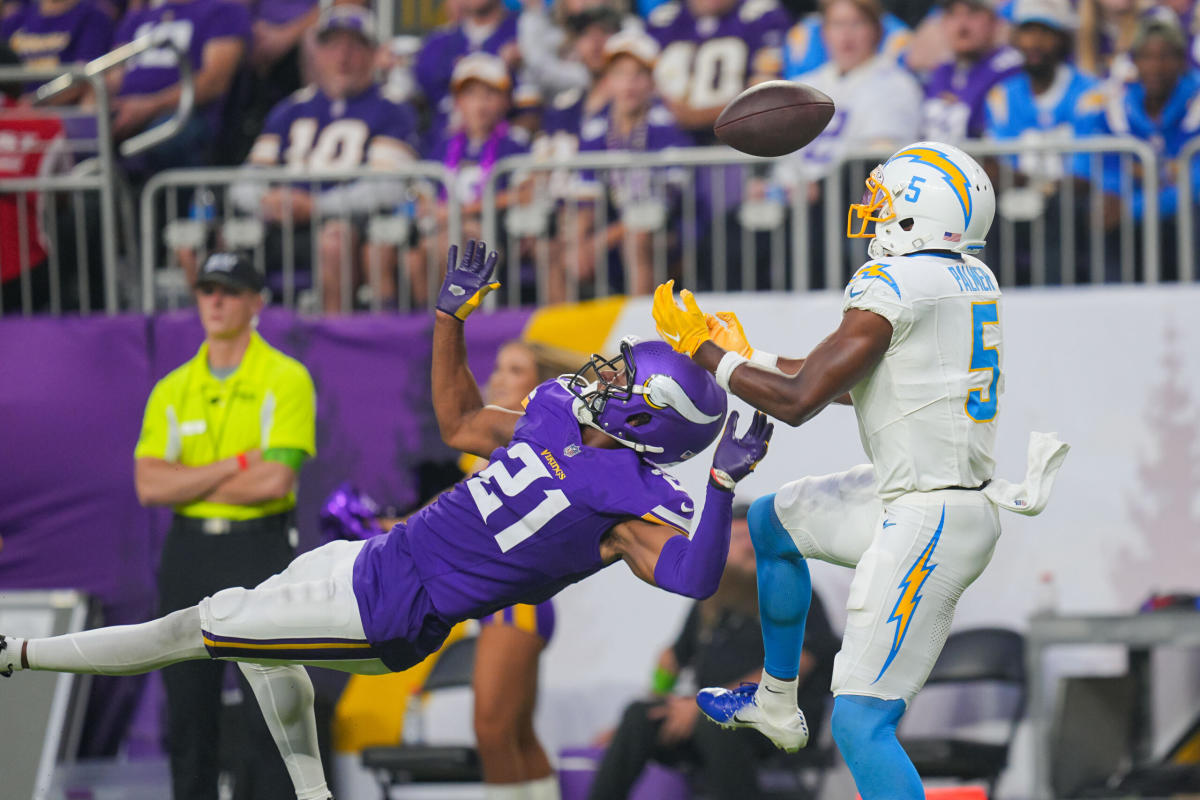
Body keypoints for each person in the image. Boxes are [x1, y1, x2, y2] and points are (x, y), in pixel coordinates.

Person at [0, 241, 774, 800]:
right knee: (267, 651)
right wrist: (449, 321)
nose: (605, 373)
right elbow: (462, 420)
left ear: (649, 416)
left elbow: (693, 575)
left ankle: (17, 653)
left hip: (389, 613)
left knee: (201, 627)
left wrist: (719, 486)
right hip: (372, 558)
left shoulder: (634, 496)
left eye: (625, 376)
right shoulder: (553, 414)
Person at [651, 142, 1069, 800]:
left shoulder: (897, 285)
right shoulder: (965, 277)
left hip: (930, 517)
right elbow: (851, 381)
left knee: (861, 722)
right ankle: (778, 702)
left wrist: (702, 351)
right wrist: (742, 351)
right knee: (770, 522)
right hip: (923, 497)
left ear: (919, 218)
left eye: (886, 204)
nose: (873, 214)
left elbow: (798, 401)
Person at [129, 252, 317, 800]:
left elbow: (275, 481)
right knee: (189, 715)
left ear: (256, 303)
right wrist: (236, 463)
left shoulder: (285, 377)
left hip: (256, 549)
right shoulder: (173, 386)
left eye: (229, 291)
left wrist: (187, 480)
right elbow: (148, 487)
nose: (214, 301)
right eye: (206, 289)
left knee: (271, 714)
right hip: (189, 552)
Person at [588, 504, 839, 800]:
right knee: (640, 717)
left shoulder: (790, 591)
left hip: (777, 721)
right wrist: (657, 702)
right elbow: (671, 660)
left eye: (754, 537)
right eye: (739, 538)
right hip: (706, 714)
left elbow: (799, 664)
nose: (749, 546)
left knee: (718, 725)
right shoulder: (710, 599)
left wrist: (706, 706)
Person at [228, 5, 421, 312]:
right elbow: (244, 180)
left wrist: (317, 207)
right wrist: (269, 202)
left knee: (334, 240)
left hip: (351, 224)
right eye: (332, 45)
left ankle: (335, 345)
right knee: (226, 239)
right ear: (316, 53)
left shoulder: (392, 109)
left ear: (373, 53)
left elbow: (389, 186)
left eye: (354, 46)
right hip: (282, 223)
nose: (342, 57)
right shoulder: (289, 109)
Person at [559, 29, 693, 300]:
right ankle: (553, 336)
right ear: (608, 81)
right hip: (616, 228)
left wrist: (597, 242)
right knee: (557, 246)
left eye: (638, 74)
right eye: (620, 74)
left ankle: (640, 332)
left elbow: (660, 209)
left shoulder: (665, 127)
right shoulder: (596, 130)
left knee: (638, 239)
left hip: (668, 232)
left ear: (652, 82)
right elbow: (584, 198)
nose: (629, 84)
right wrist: (576, 242)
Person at [1071, 11, 1200, 281]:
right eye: (1147, 56)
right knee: (1094, 215)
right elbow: (1103, 164)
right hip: (1133, 224)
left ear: (1181, 61)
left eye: (1165, 56)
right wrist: (1112, 195)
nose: (1156, 66)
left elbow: (1196, 182)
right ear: (1135, 62)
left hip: (1182, 218)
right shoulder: (1116, 106)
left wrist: (1132, 207)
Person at [108, 0, 250, 181]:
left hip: (185, 115)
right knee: (82, 139)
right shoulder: (138, 17)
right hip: (125, 111)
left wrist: (149, 107)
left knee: (167, 141)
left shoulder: (224, 10)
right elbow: (112, 77)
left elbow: (213, 81)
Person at [646, 0, 791, 144]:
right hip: (671, 144)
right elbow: (637, 84)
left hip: (742, 141)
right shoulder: (663, 19)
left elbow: (768, 93)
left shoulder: (761, 14)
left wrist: (697, 117)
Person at [920, 0, 1022, 143]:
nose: (962, 26)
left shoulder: (1011, 68)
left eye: (973, 13)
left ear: (994, 22)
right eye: (952, 14)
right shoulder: (942, 71)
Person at [0, 0, 113, 103]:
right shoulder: (15, 20)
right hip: (13, 112)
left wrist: (33, 102)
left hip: (62, 113)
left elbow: (83, 78)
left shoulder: (92, 17)